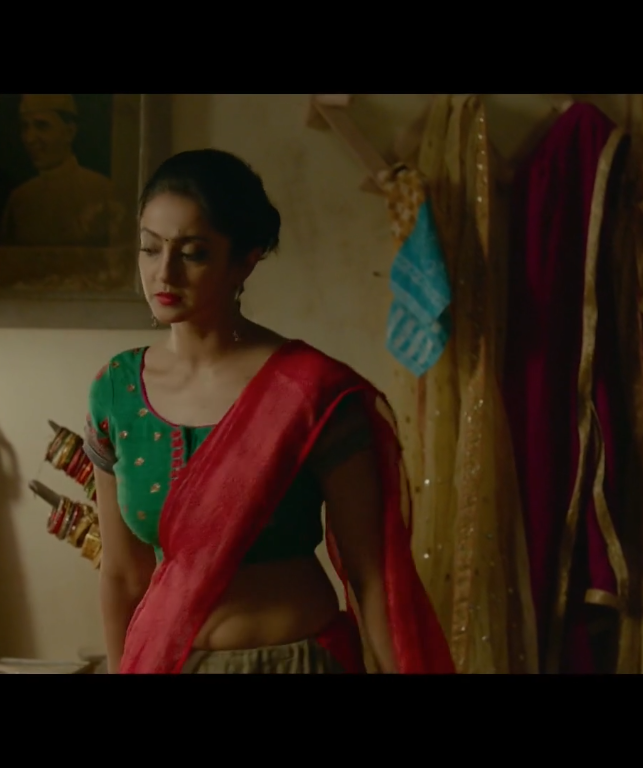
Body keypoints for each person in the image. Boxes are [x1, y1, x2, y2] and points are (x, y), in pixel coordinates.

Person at [83, 148, 454, 674]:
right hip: (168, 663)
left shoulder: (312, 391)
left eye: (193, 253)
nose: (163, 273)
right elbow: (123, 576)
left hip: (295, 661)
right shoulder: (117, 391)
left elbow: (373, 578)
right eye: (149, 248)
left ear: (246, 259)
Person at [0, 94, 120, 248]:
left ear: (69, 132)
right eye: (25, 127)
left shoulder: (103, 191)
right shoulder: (19, 200)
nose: (29, 138)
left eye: (42, 126)